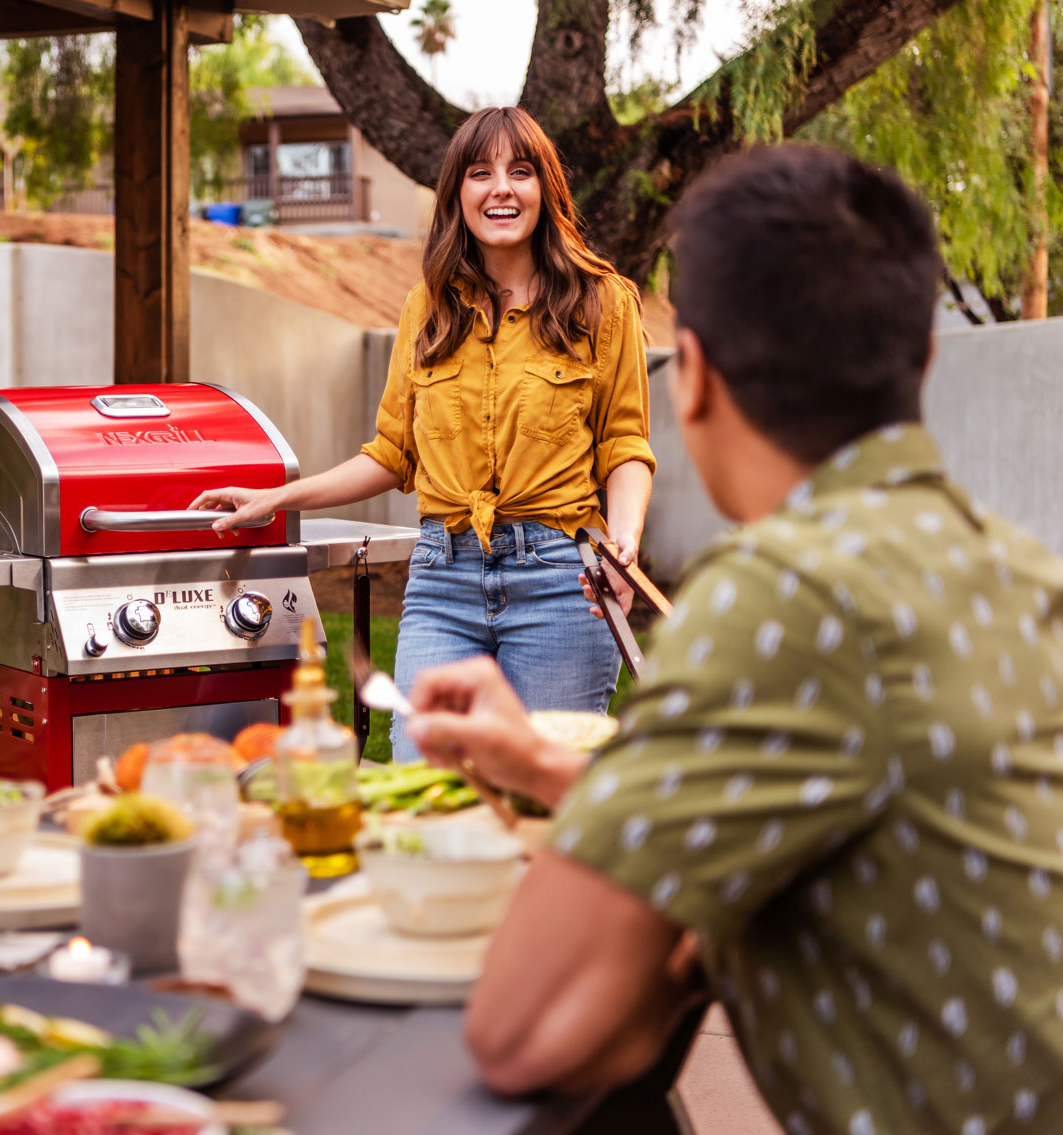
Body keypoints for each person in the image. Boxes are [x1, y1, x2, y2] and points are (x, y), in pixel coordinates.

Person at [407, 142, 1063, 1134]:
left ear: (695, 377)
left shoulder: (781, 597)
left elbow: (521, 1032)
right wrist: (543, 765)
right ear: (920, 355)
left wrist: (686, 933)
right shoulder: (1019, 571)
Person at [190, 107, 654, 761]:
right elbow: (392, 452)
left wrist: (625, 543)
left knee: (539, 801)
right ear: (456, 194)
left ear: (546, 189)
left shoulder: (603, 302)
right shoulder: (427, 308)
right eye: (480, 172)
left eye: (520, 172)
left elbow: (625, 444)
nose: (501, 189)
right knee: (422, 787)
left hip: (559, 580)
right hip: (444, 579)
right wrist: (276, 496)